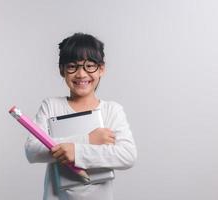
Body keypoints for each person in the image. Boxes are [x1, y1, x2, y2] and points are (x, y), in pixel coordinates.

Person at [24, 32, 137, 200]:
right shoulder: (51, 106)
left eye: (90, 65)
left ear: (101, 69)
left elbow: (127, 155)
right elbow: (32, 150)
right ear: (62, 70)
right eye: (72, 66)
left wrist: (77, 152)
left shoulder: (112, 110)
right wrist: (88, 139)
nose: (81, 74)